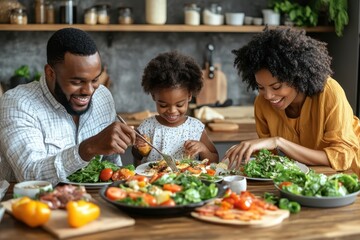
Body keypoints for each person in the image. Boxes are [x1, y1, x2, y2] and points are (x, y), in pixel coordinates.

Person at [0, 28, 136, 185]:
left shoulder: (103, 96)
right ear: (50, 73)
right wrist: (89, 148)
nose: (89, 91)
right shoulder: (18, 103)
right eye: (77, 82)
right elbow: (30, 175)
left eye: (95, 80)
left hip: (92, 205)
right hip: (32, 206)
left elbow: (112, 164)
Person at [223, 27, 360, 177]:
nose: (268, 95)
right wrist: (249, 151)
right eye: (260, 87)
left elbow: (342, 157)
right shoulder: (262, 103)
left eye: (276, 86)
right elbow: (270, 158)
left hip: (351, 176)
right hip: (310, 178)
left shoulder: (328, 92)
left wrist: (279, 142)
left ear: (297, 77)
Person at [132, 51, 219, 166]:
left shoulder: (195, 127)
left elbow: (215, 160)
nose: (172, 111)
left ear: (189, 96)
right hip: (154, 181)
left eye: (179, 105)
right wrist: (139, 148)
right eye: (163, 105)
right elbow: (137, 159)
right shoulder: (148, 126)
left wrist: (203, 149)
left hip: (188, 182)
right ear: (153, 96)